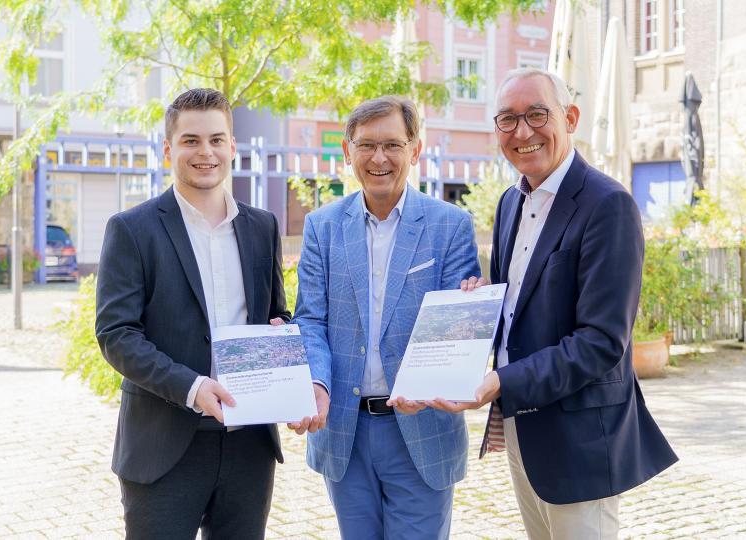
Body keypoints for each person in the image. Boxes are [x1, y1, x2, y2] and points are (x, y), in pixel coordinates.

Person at [428, 68, 678, 539]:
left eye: (537, 114)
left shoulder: (608, 204)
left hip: (582, 440)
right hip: (524, 427)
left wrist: (499, 380)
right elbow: (517, 308)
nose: (522, 132)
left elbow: (601, 342)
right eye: (507, 119)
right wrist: (480, 303)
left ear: (571, 118)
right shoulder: (509, 202)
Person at [95, 88, 290, 539]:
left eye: (217, 140)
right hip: (163, 444)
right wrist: (193, 387)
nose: (206, 152)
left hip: (249, 443)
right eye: (191, 140)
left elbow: (276, 312)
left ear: (232, 147)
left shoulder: (262, 227)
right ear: (168, 149)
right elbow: (116, 333)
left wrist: (285, 343)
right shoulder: (132, 229)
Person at [292, 96, 481, 539]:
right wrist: (317, 383)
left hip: (421, 427)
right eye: (367, 145)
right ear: (347, 150)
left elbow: (456, 329)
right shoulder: (322, 226)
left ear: (415, 150)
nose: (379, 158)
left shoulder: (450, 225)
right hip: (344, 429)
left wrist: (468, 314)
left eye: (393, 145)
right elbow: (311, 320)